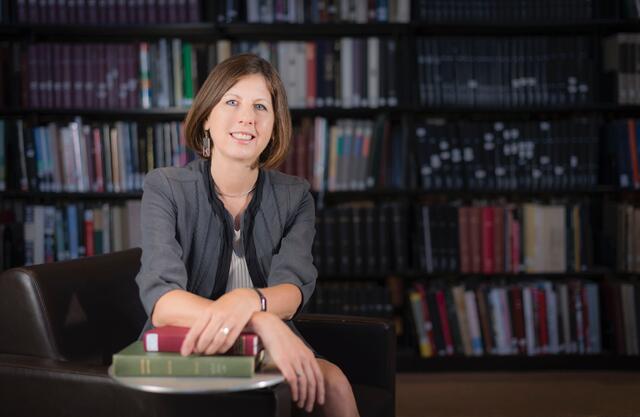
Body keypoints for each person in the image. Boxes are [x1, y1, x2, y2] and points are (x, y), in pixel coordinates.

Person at [135, 53, 360, 417]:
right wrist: (259, 318)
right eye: (232, 102)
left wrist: (253, 307)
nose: (247, 118)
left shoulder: (294, 195)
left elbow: (294, 288)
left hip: (267, 344)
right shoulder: (166, 187)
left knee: (334, 383)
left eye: (260, 106)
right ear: (207, 117)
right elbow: (163, 303)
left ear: (274, 125)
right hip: (189, 341)